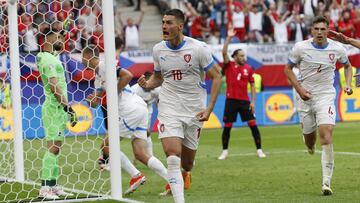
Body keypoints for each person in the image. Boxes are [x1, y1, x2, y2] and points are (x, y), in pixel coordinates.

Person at [138, 9, 222, 203]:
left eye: (168, 23)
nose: (164, 26)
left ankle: (186, 173)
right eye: (163, 22)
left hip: (195, 109)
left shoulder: (198, 48)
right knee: (172, 156)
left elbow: (217, 76)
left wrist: (209, 109)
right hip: (169, 106)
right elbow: (158, 78)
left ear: (180, 26)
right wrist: (147, 84)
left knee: (188, 163)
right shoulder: (158, 49)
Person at [83, 45, 168, 195]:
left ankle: (136, 176)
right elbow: (97, 99)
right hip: (139, 108)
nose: (82, 63)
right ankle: (172, 180)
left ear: (88, 57)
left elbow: (127, 75)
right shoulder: (97, 77)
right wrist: (93, 102)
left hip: (129, 109)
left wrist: (113, 94)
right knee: (140, 154)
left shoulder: (104, 66)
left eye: (83, 59)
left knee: (106, 146)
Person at [284, 16, 353, 196]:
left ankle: (326, 182)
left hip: (325, 95)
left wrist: (347, 84)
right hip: (305, 97)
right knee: (310, 140)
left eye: (323, 29)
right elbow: (287, 69)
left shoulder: (337, 48)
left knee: (326, 133)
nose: (320, 32)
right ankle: (309, 145)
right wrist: (299, 89)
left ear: (328, 30)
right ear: (312, 30)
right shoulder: (300, 47)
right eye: (316, 29)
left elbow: (347, 66)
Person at [37, 30, 78, 199]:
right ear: (48, 40)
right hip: (54, 109)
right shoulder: (47, 59)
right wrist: (68, 107)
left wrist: (65, 108)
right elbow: (54, 86)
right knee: (53, 148)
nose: (62, 40)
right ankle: (44, 188)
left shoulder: (51, 57)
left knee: (57, 148)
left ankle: (53, 186)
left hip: (59, 109)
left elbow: (55, 50)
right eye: (58, 38)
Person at [218, 27, 266, 160]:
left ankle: (259, 150)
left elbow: (252, 85)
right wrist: (228, 38)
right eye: (241, 56)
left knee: (253, 125)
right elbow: (223, 52)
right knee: (227, 127)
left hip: (245, 101)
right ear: (235, 57)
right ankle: (225, 151)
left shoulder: (249, 68)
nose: (244, 58)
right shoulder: (229, 66)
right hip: (231, 101)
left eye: (244, 56)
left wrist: (253, 101)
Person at [131, 72, 161, 158]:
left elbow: (159, 102)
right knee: (138, 133)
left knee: (147, 132)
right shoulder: (134, 89)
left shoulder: (157, 89)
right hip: (134, 110)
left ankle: (149, 155)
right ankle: (139, 154)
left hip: (148, 109)